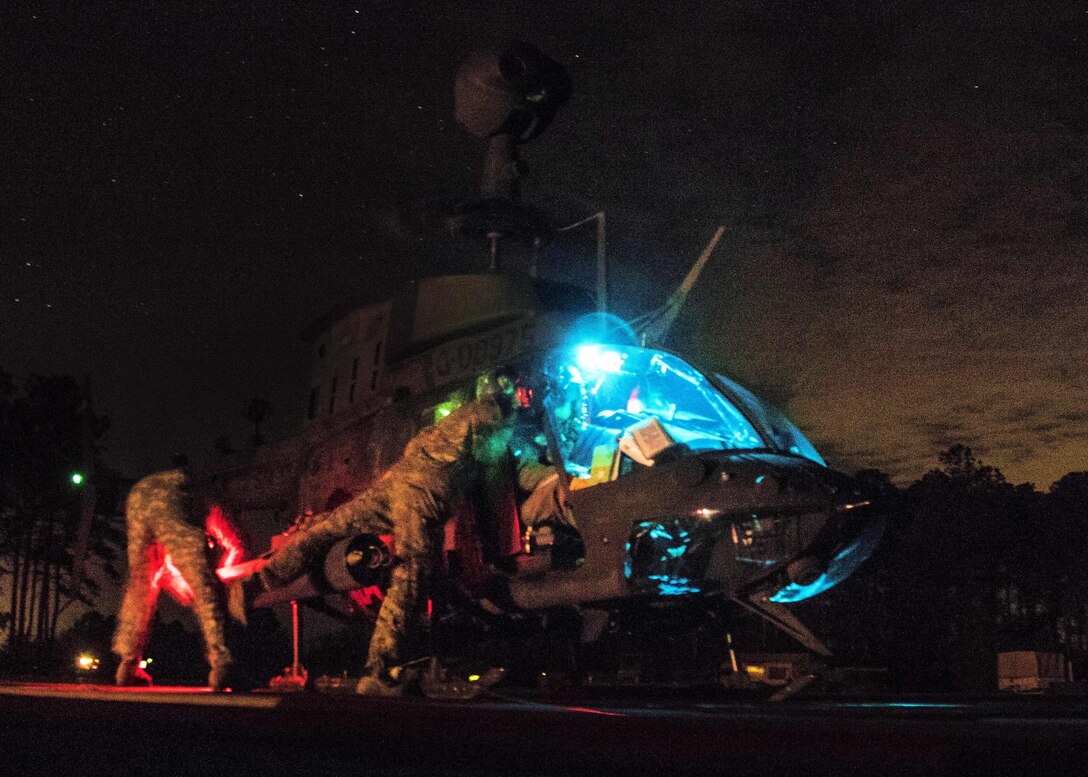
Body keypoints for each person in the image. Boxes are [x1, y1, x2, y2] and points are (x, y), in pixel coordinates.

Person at [259, 370, 521, 695]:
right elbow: (492, 463)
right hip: (424, 493)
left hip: (397, 481)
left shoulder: (454, 416)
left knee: (332, 524)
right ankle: (379, 672)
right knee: (411, 571)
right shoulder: (493, 410)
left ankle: (270, 574)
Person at [112, 468, 246, 691]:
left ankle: (127, 665)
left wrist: (184, 586)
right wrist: (222, 576)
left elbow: (167, 572)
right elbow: (238, 545)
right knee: (205, 589)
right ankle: (223, 664)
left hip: (137, 497)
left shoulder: (195, 495)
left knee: (139, 586)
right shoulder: (213, 500)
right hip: (172, 496)